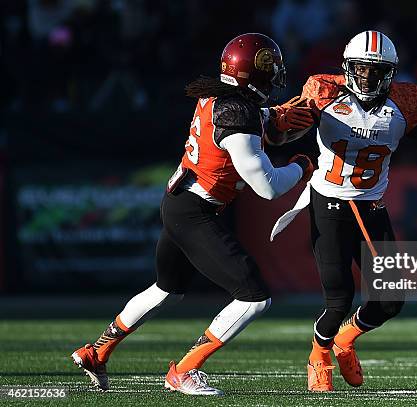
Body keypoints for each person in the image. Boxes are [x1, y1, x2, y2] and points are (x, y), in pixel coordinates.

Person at [70, 33, 316, 396]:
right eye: (269, 67)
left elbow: (249, 118)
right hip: (194, 211)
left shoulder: (221, 95)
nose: (276, 75)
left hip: (180, 202)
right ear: (252, 73)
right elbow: (267, 187)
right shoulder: (238, 111)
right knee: (254, 296)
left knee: (166, 290)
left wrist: (271, 116)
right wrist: (302, 167)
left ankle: (97, 351)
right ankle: (184, 370)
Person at [270, 30, 417, 392]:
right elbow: (281, 136)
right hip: (330, 202)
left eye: (377, 70)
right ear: (347, 67)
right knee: (337, 301)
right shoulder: (324, 92)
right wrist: (278, 130)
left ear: (391, 72)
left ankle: (344, 340)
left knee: (390, 300)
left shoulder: (405, 101)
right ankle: (319, 352)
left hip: (372, 206)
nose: (369, 76)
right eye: (362, 69)